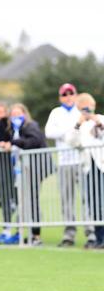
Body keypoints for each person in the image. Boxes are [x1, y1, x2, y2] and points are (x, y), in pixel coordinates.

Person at [45, 83, 96, 248]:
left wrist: (68, 130)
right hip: (64, 161)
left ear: (75, 95)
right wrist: (70, 129)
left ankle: (91, 233)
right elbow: (49, 132)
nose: (68, 97)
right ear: (60, 97)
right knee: (67, 199)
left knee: (87, 199)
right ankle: (69, 234)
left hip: (82, 161)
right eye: (64, 94)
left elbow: (87, 130)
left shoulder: (80, 111)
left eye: (71, 93)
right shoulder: (56, 112)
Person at [0, 103, 47, 245]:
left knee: (32, 201)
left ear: (25, 114)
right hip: (20, 170)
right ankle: (23, 232)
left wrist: (14, 143)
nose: (16, 117)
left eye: (19, 114)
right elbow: (1, 137)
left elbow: (34, 141)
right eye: (13, 115)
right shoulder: (12, 129)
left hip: (33, 169)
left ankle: (35, 235)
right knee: (23, 202)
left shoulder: (31, 126)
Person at [65, 93, 104, 249]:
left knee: (102, 202)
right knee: (93, 204)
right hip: (88, 168)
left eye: (89, 108)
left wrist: (99, 123)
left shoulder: (101, 119)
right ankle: (99, 237)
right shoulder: (78, 125)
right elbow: (72, 142)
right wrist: (78, 125)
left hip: (102, 166)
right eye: (83, 109)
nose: (87, 111)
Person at [0, 101, 17, 243]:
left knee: (13, 197)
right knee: (4, 198)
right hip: (1, 167)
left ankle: (15, 229)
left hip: (12, 166)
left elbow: (10, 140)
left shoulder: (9, 125)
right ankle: (7, 228)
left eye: (2, 112)